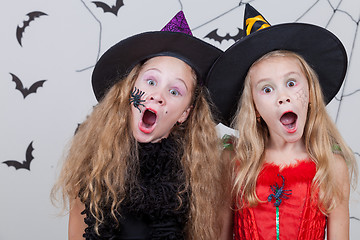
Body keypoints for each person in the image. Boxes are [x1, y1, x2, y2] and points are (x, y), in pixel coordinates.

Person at [52, 11, 231, 239]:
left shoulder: (200, 172)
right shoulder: (92, 160)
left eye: (175, 91)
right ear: (129, 90)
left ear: (184, 113)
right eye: (151, 81)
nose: (158, 95)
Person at [206, 4, 358, 239]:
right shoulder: (234, 163)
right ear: (254, 108)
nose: (283, 96)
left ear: (310, 94)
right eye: (267, 89)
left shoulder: (331, 166)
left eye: (291, 83)